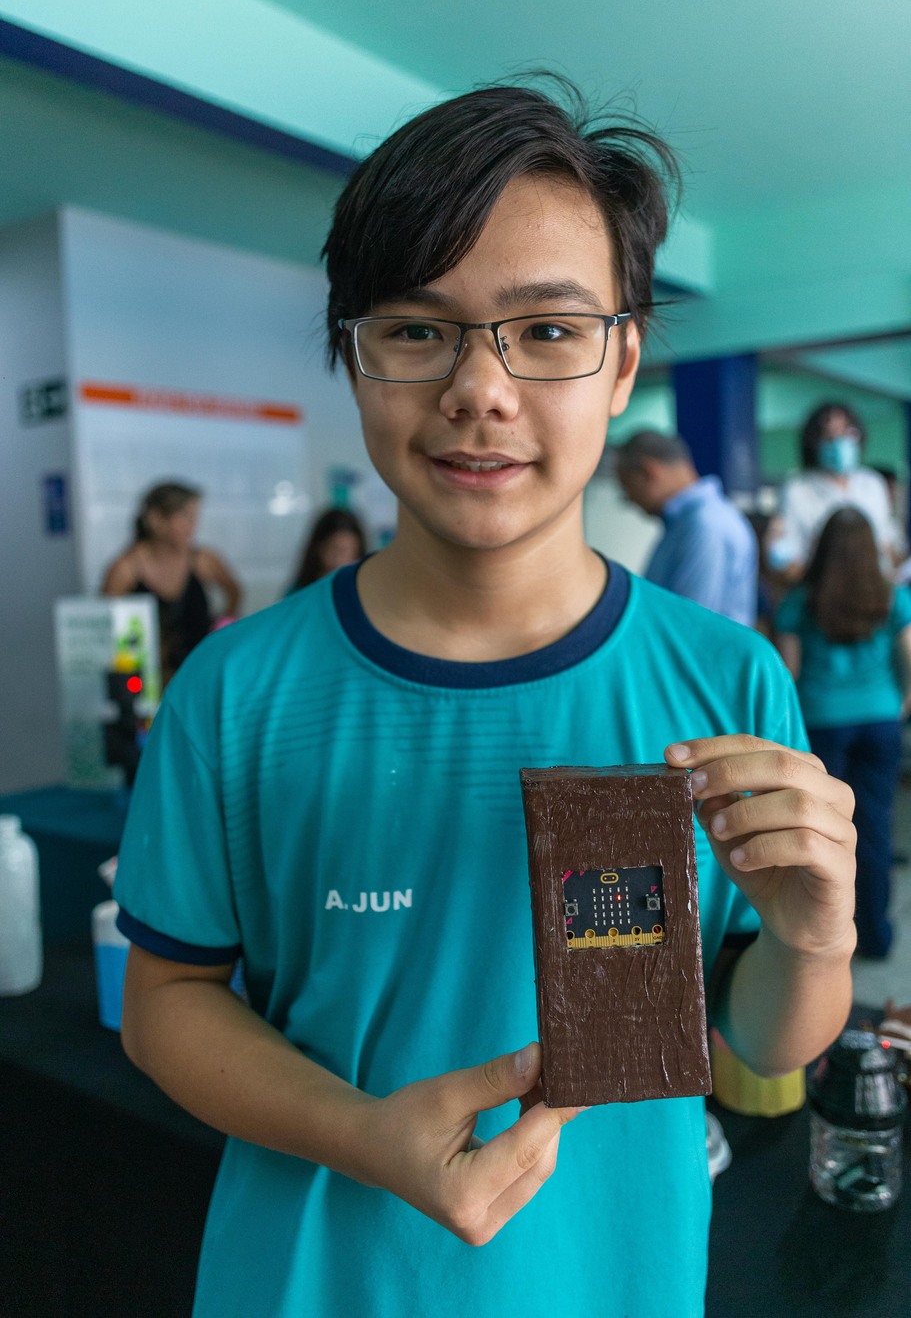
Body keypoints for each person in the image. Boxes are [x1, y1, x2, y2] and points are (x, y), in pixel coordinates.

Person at [112, 81, 856, 1318]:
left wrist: (814, 936)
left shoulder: (722, 681)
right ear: (353, 357)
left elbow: (763, 1035)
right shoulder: (237, 689)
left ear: (620, 363)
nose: (479, 388)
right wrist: (362, 1134)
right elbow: (166, 1001)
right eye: (417, 329)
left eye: (547, 329)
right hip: (307, 1282)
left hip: (613, 1278)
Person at [774, 507, 911, 959]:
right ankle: (875, 936)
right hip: (880, 722)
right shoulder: (894, 599)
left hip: (821, 724)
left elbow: (790, 673)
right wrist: (900, 704)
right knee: (875, 826)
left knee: (826, 832)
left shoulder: (799, 601)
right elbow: (908, 658)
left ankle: (832, 936)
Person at [102, 481, 242, 684]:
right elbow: (104, 622)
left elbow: (234, 590)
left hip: (198, 674)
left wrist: (225, 624)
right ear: (156, 519)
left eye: (195, 517)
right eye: (184, 517)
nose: (192, 526)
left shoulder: (202, 560)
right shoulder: (127, 569)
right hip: (148, 681)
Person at [615, 430, 758, 625]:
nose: (631, 500)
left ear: (649, 472)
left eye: (627, 489)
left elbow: (689, 623)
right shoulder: (687, 522)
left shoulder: (704, 525)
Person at [766, 401, 899, 580]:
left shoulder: (872, 484)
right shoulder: (798, 489)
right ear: (814, 443)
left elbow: (888, 545)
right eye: (829, 436)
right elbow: (786, 558)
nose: (839, 442)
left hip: (873, 585)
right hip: (820, 587)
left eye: (846, 433)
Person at [286, 506, 367, 592]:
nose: (339, 560)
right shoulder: (299, 593)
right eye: (334, 550)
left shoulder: (364, 591)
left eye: (348, 552)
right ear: (318, 548)